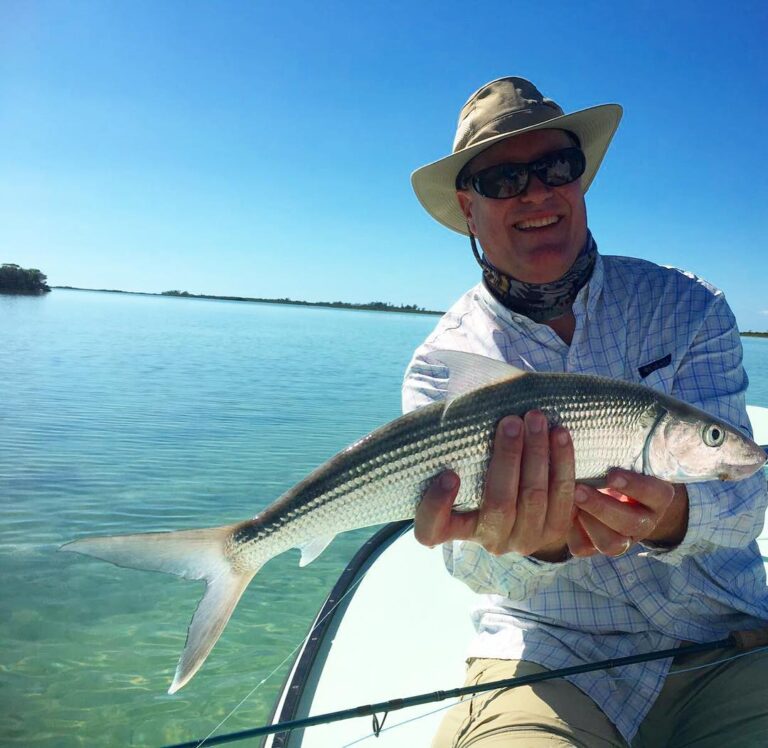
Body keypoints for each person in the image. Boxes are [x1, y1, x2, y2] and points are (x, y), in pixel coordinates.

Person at [402, 76, 768, 747]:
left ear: (581, 179)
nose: (537, 191)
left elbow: (748, 497)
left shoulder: (689, 308)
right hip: (550, 660)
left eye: (556, 167)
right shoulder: (442, 364)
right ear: (468, 205)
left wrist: (672, 515)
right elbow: (470, 570)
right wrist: (531, 543)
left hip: (730, 642)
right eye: (504, 178)